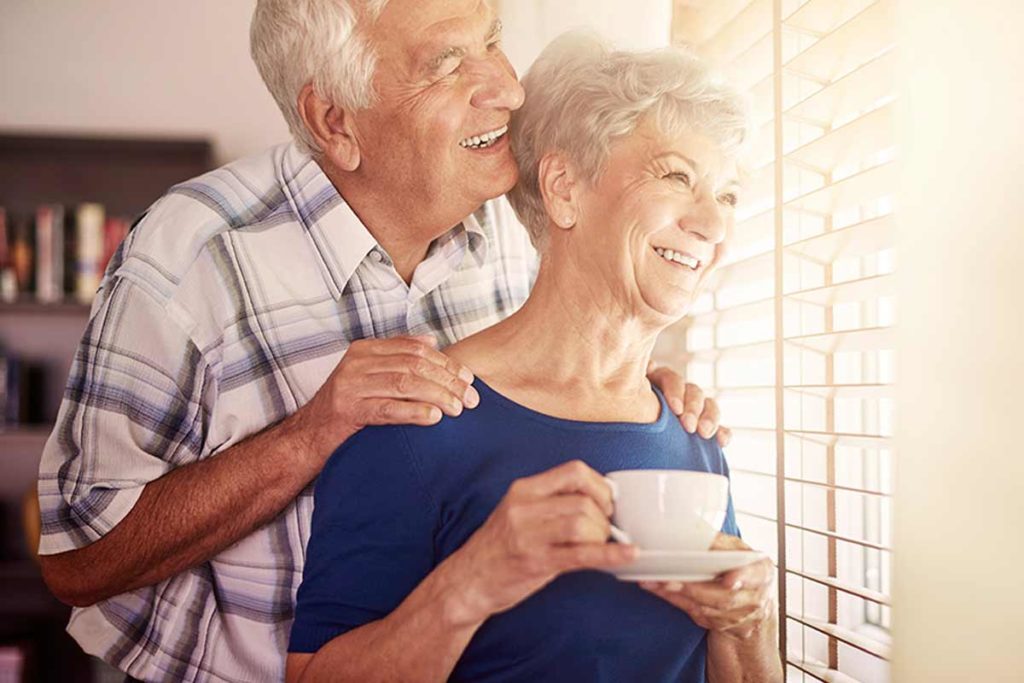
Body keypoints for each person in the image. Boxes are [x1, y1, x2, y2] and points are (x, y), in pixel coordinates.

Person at [35, 1, 726, 680]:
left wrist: (626, 389)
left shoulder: (508, 233)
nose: (508, 88)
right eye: (449, 63)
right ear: (334, 120)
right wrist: (311, 433)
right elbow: (78, 560)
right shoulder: (191, 258)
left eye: (491, 40)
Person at [286, 32, 783, 683]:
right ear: (565, 187)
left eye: (728, 196)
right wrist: (470, 583)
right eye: (677, 176)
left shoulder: (694, 438)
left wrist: (749, 623)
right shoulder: (418, 420)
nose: (713, 226)